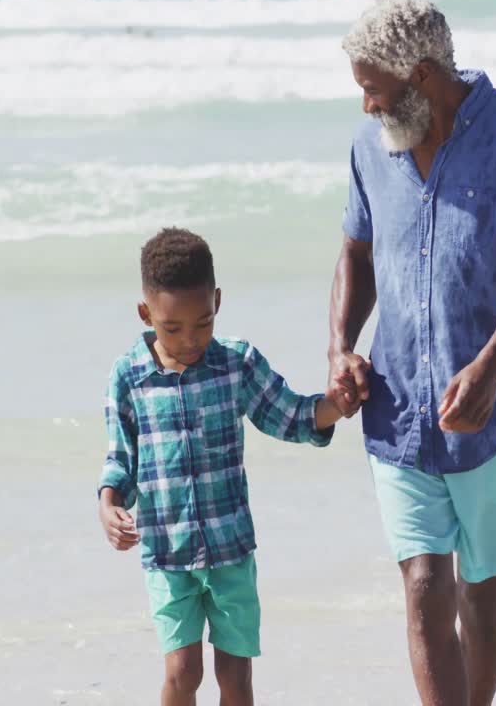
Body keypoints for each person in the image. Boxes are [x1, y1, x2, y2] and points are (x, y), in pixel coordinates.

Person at [328, 0, 496, 705]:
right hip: (397, 413)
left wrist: (490, 369)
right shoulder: (369, 148)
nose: (368, 108)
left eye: (375, 90)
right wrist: (340, 346)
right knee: (424, 585)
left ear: (424, 75)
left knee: (483, 591)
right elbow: (356, 254)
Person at [98, 227, 344, 706]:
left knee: (235, 677)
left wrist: (337, 404)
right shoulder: (128, 376)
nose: (190, 339)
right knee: (182, 672)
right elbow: (120, 456)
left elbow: (289, 415)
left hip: (230, 549)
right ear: (146, 314)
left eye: (203, 323)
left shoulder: (237, 363)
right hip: (168, 552)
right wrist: (108, 504)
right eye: (172, 328)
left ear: (217, 301)